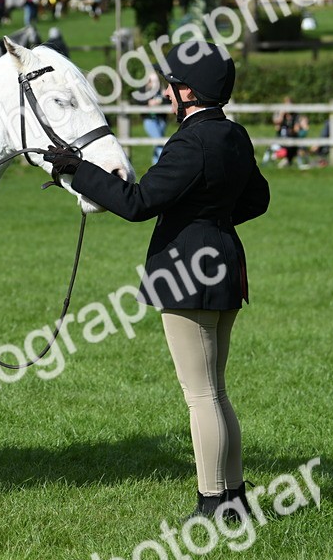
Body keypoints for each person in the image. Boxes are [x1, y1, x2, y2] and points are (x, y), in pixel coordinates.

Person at [43, 42, 270, 520]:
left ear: (187, 92)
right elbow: (257, 200)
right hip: (226, 266)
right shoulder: (235, 135)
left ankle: (213, 503)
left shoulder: (190, 143)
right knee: (215, 390)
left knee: (201, 394)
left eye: (171, 87)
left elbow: (137, 202)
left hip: (189, 273)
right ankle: (235, 499)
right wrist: (211, 217)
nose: (166, 95)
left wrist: (76, 169)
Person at [136, 72, 168, 165]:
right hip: (149, 120)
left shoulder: (161, 90)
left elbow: (170, 102)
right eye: (152, 81)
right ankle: (162, 164)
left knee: (157, 143)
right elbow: (138, 101)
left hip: (161, 120)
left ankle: (155, 165)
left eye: (155, 80)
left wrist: (162, 100)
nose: (154, 83)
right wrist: (149, 103)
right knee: (159, 142)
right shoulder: (143, 91)